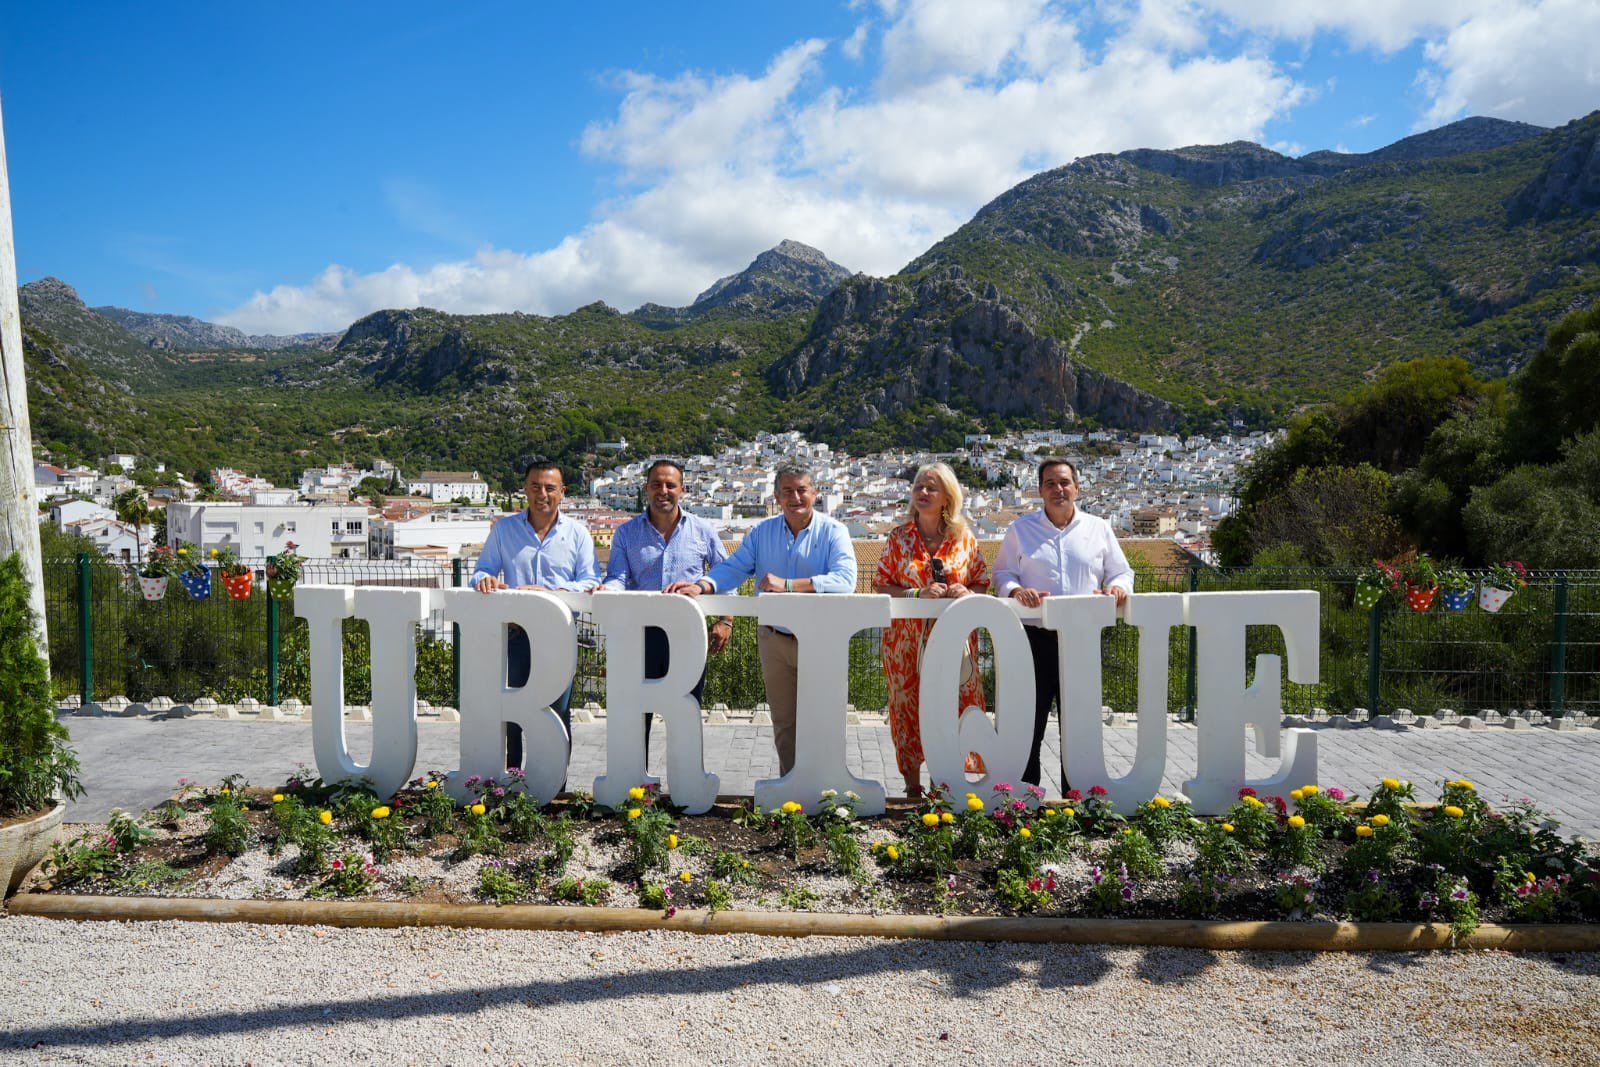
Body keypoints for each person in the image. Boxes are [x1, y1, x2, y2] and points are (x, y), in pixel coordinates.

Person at [667, 461, 856, 775]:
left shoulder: (835, 531)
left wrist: (789, 586)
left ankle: (826, 790)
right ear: (776, 496)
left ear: (816, 493)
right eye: (787, 492)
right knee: (783, 721)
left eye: (801, 490)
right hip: (774, 638)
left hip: (820, 640)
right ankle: (791, 789)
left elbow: (846, 580)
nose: (795, 497)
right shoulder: (762, 532)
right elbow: (734, 568)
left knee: (824, 718)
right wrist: (703, 585)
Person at [994, 457, 1133, 788]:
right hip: (1033, 640)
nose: (1058, 489)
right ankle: (1026, 801)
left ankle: (1078, 799)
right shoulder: (1019, 530)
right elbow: (1002, 573)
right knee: (1030, 725)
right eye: (1050, 484)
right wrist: (1016, 590)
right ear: (1040, 490)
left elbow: (1122, 571)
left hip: (1081, 642)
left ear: (1077, 487)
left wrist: (1119, 588)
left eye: (1064, 482)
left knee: (1080, 726)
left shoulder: (1099, 528)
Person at [471, 458, 599, 769]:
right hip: (516, 634)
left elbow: (591, 580)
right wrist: (484, 580)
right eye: (536, 486)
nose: (543, 493)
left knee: (558, 710)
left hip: (560, 634)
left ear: (562, 492)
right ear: (525, 490)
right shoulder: (504, 530)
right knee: (513, 710)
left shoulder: (578, 534)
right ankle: (513, 778)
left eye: (550, 488)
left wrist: (548, 594)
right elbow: (481, 571)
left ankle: (556, 781)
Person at [872, 462, 990, 797]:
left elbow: (982, 583)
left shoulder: (964, 539)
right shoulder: (899, 538)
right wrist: (915, 594)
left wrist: (966, 593)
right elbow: (881, 585)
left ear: (947, 497)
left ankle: (946, 785)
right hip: (904, 644)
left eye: (931, 488)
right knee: (907, 708)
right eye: (919, 487)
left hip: (954, 643)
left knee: (956, 706)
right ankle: (912, 788)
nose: (922, 493)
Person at [600, 458, 733, 754]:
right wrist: (605, 590)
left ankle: (686, 795)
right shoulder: (626, 533)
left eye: (670, 485)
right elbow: (618, 578)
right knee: (637, 716)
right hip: (640, 636)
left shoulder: (703, 530)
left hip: (689, 634)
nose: (663, 490)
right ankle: (637, 791)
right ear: (646, 488)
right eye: (657, 484)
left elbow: (726, 575)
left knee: (686, 715)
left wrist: (726, 621)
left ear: (682, 490)